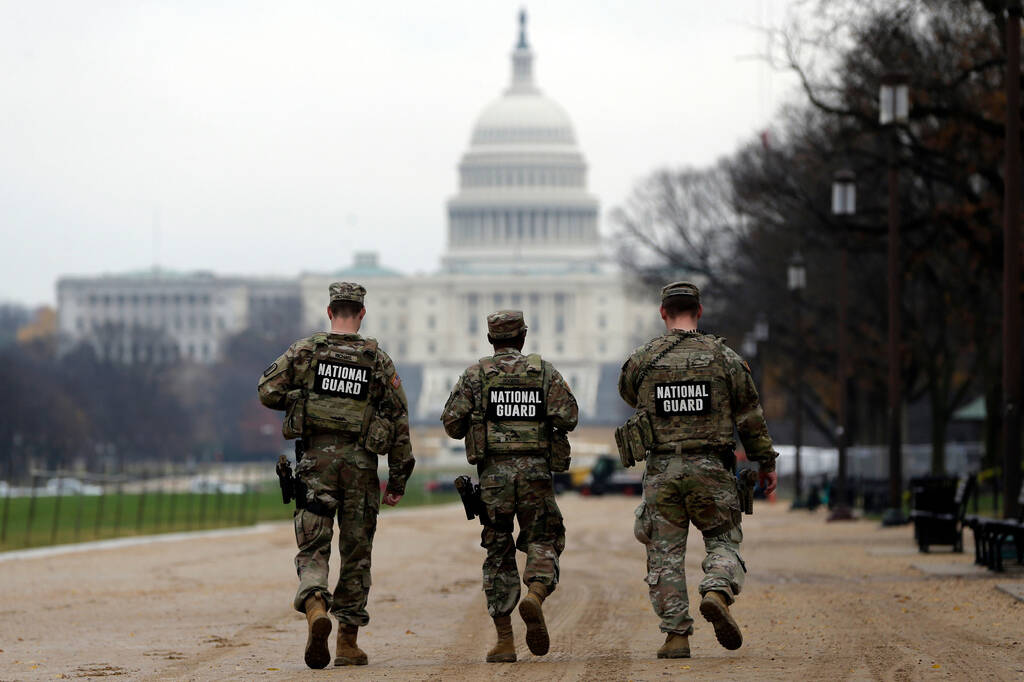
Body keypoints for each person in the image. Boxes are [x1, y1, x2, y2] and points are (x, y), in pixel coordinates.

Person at [257, 282, 414, 669]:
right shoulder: (377, 360)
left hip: (316, 464)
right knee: (356, 553)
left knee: (314, 544)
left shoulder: (306, 350)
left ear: (330, 312)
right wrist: (397, 481)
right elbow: (398, 421)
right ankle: (347, 642)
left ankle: (314, 604)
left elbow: (267, 390)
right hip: (360, 468)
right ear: (361, 313)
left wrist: (304, 401)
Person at [617, 281, 777, 659]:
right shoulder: (725, 358)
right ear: (699, 311)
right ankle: (717, 590)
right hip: (711, 467)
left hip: (663, 470)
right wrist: (765, 462)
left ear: (663, 313)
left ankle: (676, 637)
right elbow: (750, 416)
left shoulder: (643, 360)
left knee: (664, 555)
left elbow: (628, 395)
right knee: (723, 540)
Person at [441, 310, 578, 663]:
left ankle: (504, 641)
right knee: (544, 539)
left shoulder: (475, 375)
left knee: (498, 554)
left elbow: (452, 424)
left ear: (490, 339)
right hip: (535, 475)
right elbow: (569, 416)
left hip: (493, 480)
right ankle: (535, 592)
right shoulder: (544, 372)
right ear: (523, 337)